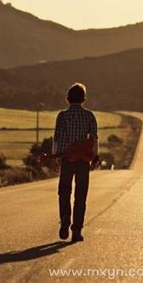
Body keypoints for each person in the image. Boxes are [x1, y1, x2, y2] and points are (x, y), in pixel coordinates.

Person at [52, 83, 99, 242]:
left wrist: (55, 158)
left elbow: (57, 139)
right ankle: (76, 230)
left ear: (68, 99)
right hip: (83, 160)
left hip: (66, 158)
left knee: (64, 191)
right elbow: (94, 139)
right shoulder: (90, 116)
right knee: (81, 195)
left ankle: (65, 217)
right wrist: (95, 157)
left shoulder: (62, 116)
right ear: (84, 99)